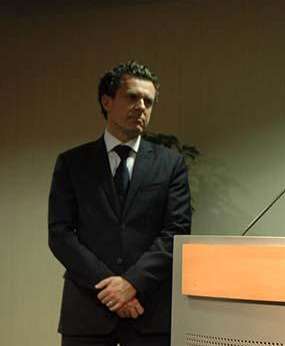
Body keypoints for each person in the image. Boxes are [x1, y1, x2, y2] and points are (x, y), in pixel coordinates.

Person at [48, 61, 192, 346]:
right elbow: (60, 234)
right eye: (132, 97)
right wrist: (111, 288)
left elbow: (175, 233)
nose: (141, 106)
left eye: (148, 101)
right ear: (107, 101)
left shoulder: (171, 164)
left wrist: (132, 283)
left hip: (148, 313)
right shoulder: (72, 163)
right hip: (88, 312)